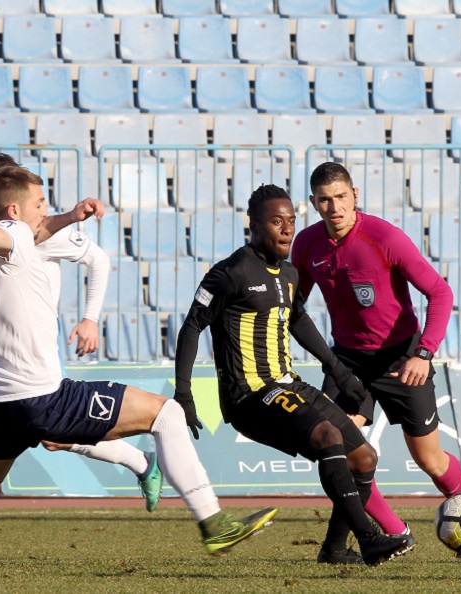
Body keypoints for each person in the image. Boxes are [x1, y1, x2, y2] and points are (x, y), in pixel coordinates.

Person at [0, 166, 277, 568]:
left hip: (1, 402)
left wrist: (68, 217)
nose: (47, 209)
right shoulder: (14, 237)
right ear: (17, 209)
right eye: (41, 202)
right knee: (167, 413)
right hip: (43, 397)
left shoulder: (15, 238)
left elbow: (15, 232)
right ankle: (213, 522)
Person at [0, 154, 163, 558]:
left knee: (38, 433)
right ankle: (141, 463)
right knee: (22, 433)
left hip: (30, 353)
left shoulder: (34, 228)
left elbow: (97, 259)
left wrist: (90, 318)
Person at [174, 184, 414, 566]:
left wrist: (338, 370)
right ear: (253, 225)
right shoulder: (230, 273)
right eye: (276, 222)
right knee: (327, 435)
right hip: (250, 396)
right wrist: (183, 394)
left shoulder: (288, 275)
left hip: (288, 383)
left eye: (291, 221)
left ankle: (335, 551)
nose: (286, 229)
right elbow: (190, 328)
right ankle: (369, 538)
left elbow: (299, 320)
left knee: (365, 457)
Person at [290, 163, 461, 557]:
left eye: (341, 197)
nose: (334, 206)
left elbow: (440, 293)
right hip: (347, 362)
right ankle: (391, 531)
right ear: (313, 203)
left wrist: (424, 353)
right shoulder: (306, 245)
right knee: (338, 446)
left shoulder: (385, 237)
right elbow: (294, 305)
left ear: (355, 195)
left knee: (430, 460)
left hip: (402, 358)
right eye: (325, 199)